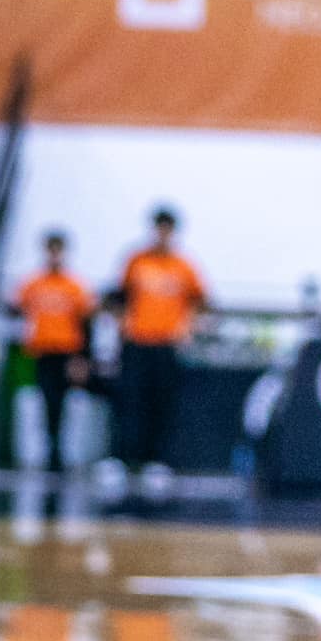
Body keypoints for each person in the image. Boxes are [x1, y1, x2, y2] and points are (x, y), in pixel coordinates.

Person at [101, 208, 208, 503]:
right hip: (136, 342)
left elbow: (200, 301)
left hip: (167, 344)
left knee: (162, 403)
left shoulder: (184, 266)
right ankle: (120, 459)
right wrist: (122, 321)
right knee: (128, 401)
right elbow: (118, 296)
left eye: (167, 229)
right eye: (159, 228)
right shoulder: (136, 260)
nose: (162, 234)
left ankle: (157, 462)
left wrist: (187, 325)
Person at [14, 233, 97, 473]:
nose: (54, 255)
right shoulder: (33, 284)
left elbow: (86, 322)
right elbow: (17, 310)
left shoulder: (74, 286)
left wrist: (82, 357)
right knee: (45, 399)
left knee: (63, 401)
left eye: (58, 250)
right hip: (42, 350)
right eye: (51, 250)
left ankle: (61, 450)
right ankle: (48, 448)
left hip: (66, 351)